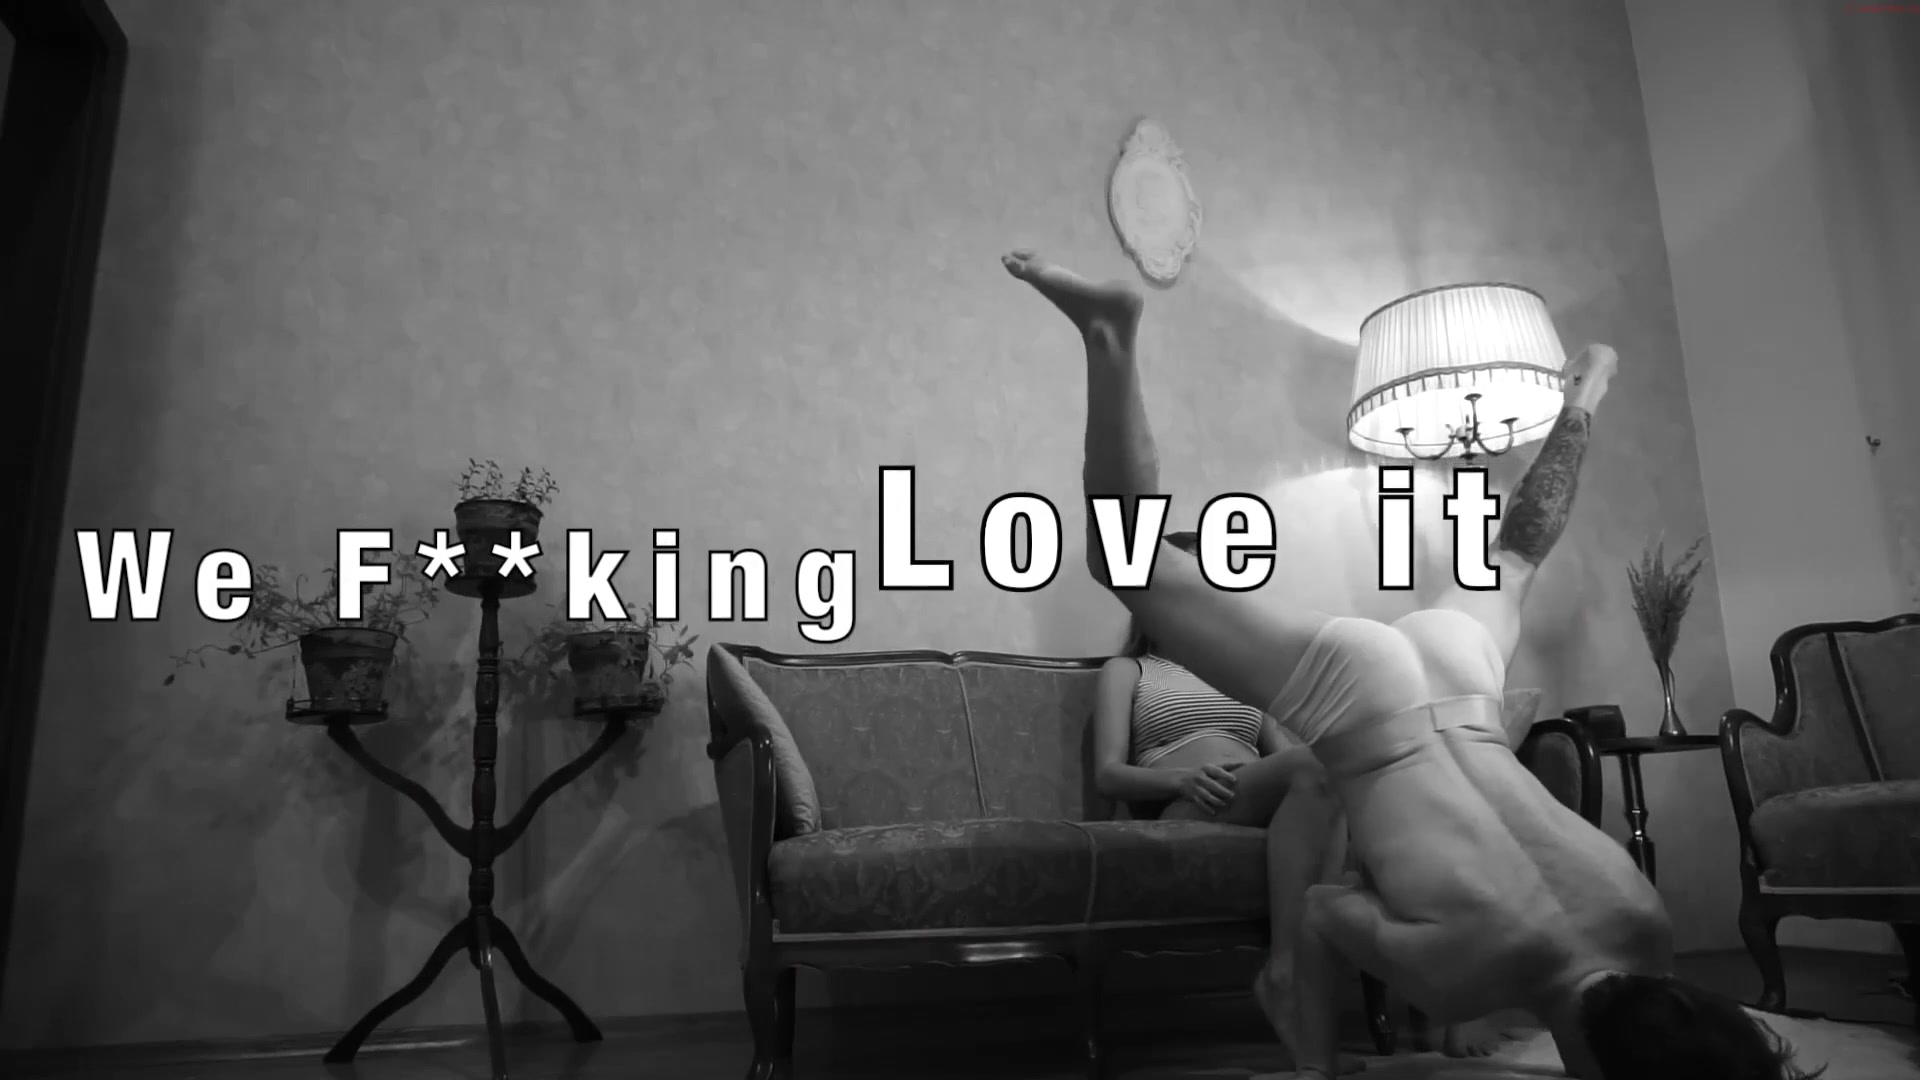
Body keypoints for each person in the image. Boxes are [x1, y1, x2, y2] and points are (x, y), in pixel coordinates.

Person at [1003, 249, 1822, 1080]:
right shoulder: (1458, 976)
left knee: (1516, 558)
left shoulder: (1647, 926)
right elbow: (1324, 908)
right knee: (1128, 560)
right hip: (1368, 710)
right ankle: (1108, 337)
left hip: (1460, 682)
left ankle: (1581, 400)